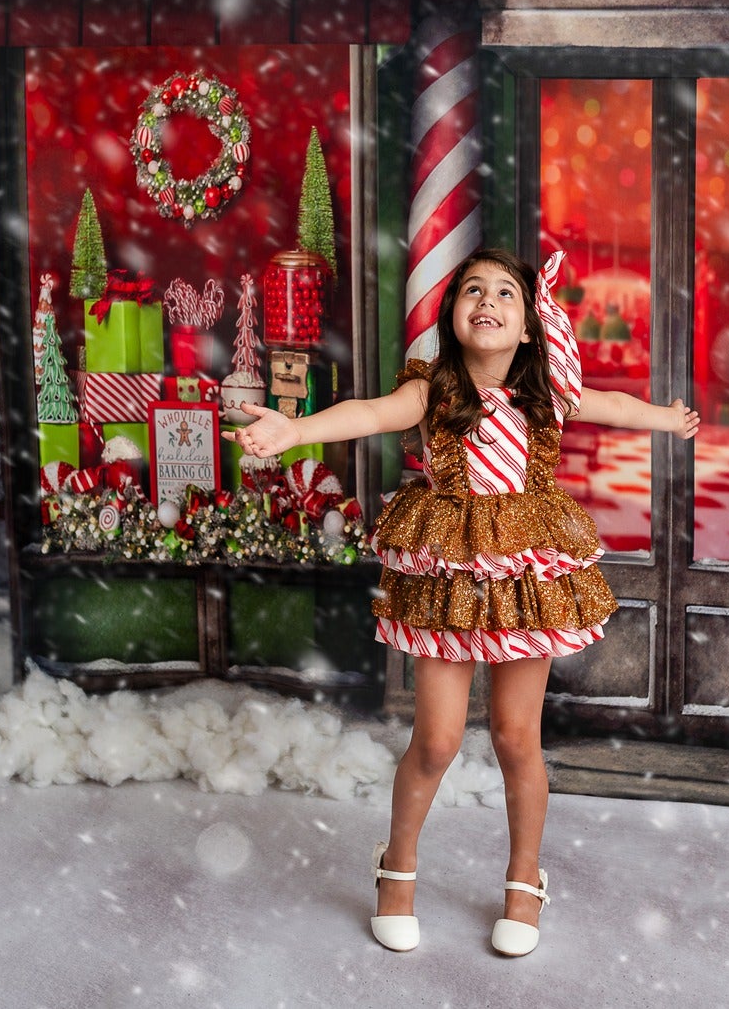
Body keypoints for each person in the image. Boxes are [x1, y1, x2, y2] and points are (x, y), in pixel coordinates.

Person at [228, 247, 698, 957]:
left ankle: (523, 880)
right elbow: (369, 412)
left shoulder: (548, 393)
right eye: (472, 289)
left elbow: (613, 404)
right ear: (453, 314)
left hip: (522, 575)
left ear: (529, 325)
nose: (488, 300)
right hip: (450, 572)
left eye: (506, 292)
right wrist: (295, 430)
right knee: (438, 740)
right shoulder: (433, 390)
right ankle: (398, 870)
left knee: (516, 739)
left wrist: (665, 417)